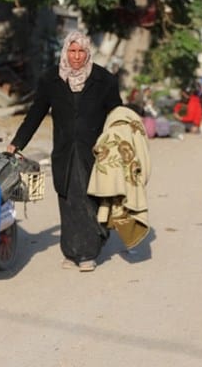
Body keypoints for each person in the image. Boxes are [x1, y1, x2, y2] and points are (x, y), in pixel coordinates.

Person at [7, 30, 122, 272]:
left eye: (81, 51)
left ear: (88, 52)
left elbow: (117, 116)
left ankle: (89, 251)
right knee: (68, 200)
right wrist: (17, 142)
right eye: (72, 51)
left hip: (96, 152)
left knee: (91, 199)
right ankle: (71, 251)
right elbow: (36, 113)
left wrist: (123, 144)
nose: (77, 56)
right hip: (64, 151)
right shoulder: (51, 79)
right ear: (65, 52)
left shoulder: (104, 80)